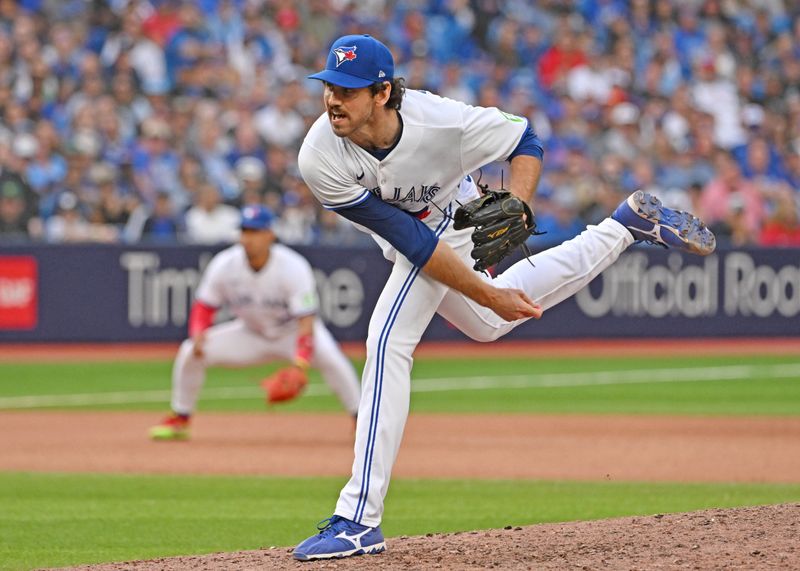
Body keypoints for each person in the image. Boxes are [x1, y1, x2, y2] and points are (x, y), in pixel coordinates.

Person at [292, 34, 715, 560]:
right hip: (417, 236)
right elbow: (411, 242)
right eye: (329, 85)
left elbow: (525, 139)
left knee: (386, 342)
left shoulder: (440, 121)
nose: (333, 98)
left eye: (348, 90)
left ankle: (358, 518)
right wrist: (489, 298)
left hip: (457, 216)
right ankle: (626, 226)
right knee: (486, 323)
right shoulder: (320, 156)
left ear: (382, 92)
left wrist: (517, 204)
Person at [149, 204, 361, 440]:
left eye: (255, 232)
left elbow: (306, 321)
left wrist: (301, 363)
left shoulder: (293, 266)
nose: (248, 238)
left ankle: (361, 419)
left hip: (291, 333)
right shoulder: (225, 264)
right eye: (245, 231)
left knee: (334, 361)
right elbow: (204, 306)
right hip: (250, 334)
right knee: (190, 351)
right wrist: (198, 332)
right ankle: (180, 417)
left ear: (270, 234)